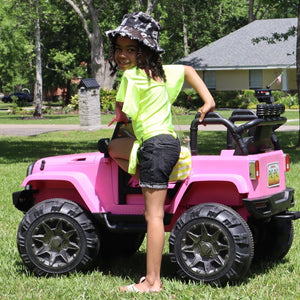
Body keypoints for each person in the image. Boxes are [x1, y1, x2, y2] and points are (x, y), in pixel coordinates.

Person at [106, 12, 215, 293]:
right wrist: (208, 100)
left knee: (153, 217)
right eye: (118, 49)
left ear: (145, 51)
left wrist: (119, 116)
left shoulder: (130, 77)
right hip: (169, 143)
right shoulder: (160, 74)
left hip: (153, 146)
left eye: (131, 49)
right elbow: (189, 70)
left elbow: (123, 118)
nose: (123, 55)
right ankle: (142, 173)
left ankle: (152, 283)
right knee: (114, 149)